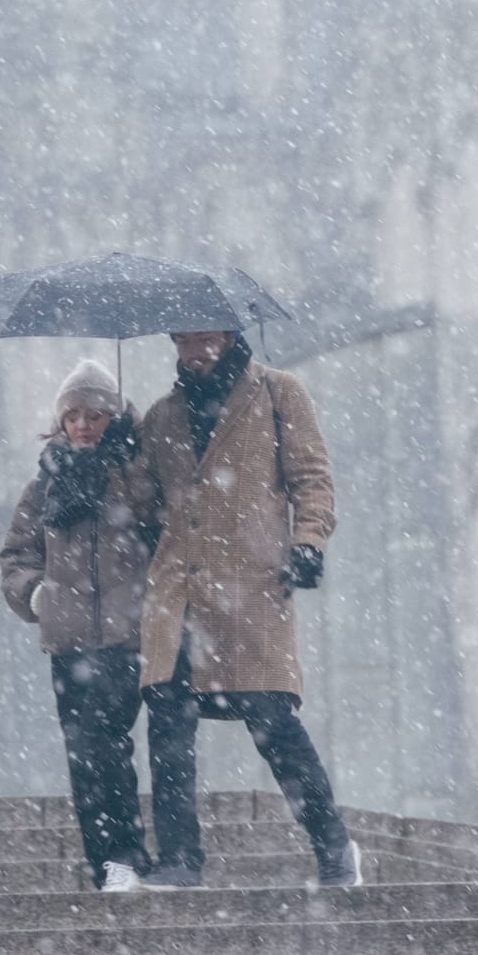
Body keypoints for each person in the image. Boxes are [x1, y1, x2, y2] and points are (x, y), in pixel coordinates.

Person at [134, 328, 362, 889]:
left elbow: (313, 478)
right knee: (168, 731)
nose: (190, 352)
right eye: (180, 341)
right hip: (178, 594)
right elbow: (141, 508)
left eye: (199, 338)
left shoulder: (279, 393)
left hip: (250, 590)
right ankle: (181, 861)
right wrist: (121, 451)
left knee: (273, 724)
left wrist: (309, 541)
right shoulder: (162, 416)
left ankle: (334, 849)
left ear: (229, 334)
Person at [0, 359, 158, 893]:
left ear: (114, 418)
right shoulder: (44, 487)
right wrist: (37, 595)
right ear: (61, 422)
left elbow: (162, 532)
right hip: (68, 643)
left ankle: (125, 857)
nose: (85, 425)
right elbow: (16, 557)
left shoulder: (133, 476)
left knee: (104, 741)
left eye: (96, 414)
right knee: (84, 753)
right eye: (75, 416)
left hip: (124, 637)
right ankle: (108, 864)